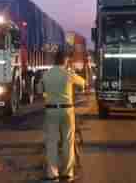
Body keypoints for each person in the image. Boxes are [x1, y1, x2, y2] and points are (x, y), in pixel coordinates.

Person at [42, 51, 85, 182]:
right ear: (65, 60)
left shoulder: (46, 74)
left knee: (51, 142)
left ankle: (52, 173)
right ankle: (67, 172)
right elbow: (83, 83)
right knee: (67, 142)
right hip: (67, 110)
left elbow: (40, 90)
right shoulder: (68, 74)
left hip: (51, 110)